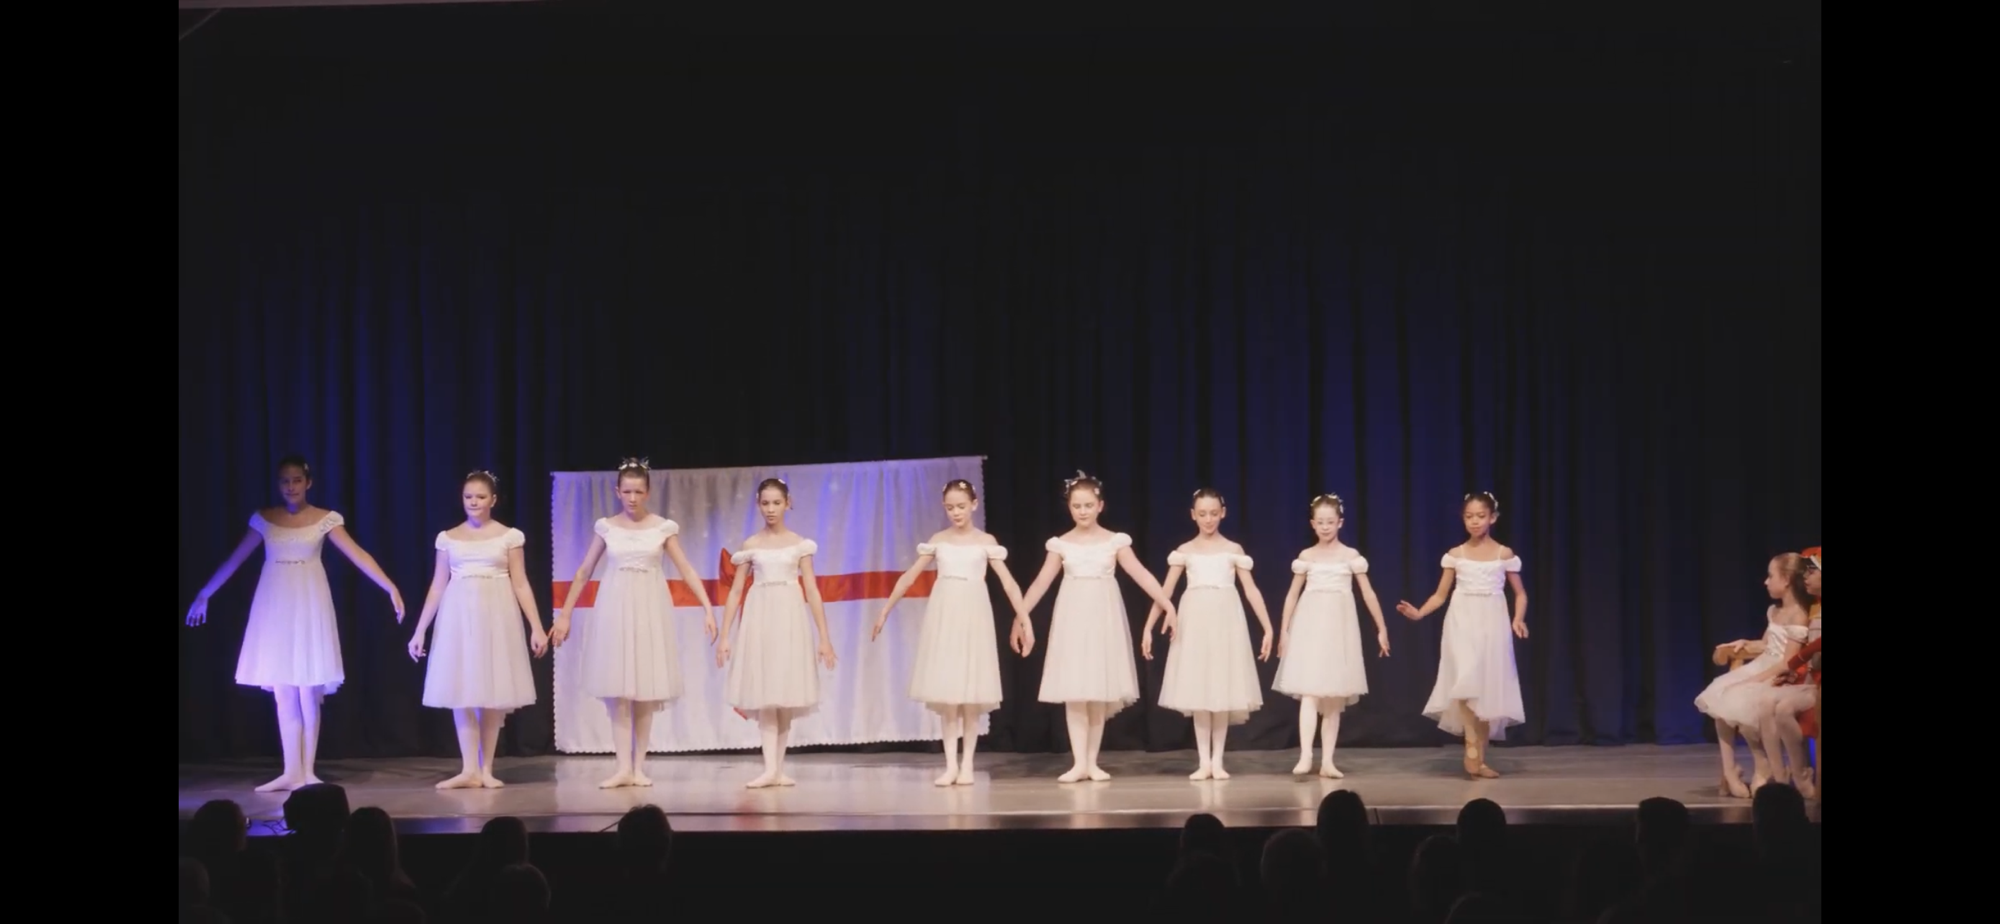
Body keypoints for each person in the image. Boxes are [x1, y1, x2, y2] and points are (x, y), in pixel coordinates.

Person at [186, 454, 406, 792]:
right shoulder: (264, 519)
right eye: (285, 481)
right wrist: (205, 593)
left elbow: (358, 554)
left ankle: (308, 771)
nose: (291, 487)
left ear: (308, 483)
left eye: (297, 480)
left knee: (308, 686)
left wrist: (389, 586)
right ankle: (291, 771)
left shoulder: (325, 519)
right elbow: (236, 558)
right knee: (284, 688)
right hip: (275, 603)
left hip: (309, 601)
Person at [550, 458, 718, 788]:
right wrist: (565, 614)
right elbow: (584, 571)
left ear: (648, 492)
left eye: (638, 491)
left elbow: (686, 569)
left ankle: (638, 767)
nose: (632, 498)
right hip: (615, 610)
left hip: (649, 612)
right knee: (619, 693)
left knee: (644, 691)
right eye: (626, 491)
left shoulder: (662, 528)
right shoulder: (607, 527)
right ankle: (622, 767)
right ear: (617, 491)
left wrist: (708, 608)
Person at [1017, 471, 1179, 782]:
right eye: (1077, 506)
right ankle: (1079, 762)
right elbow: (1040, 583)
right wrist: (1021, 616)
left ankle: (1092, 761)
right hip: (1072, 618)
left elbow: (1141, 574)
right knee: (1076, 689)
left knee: (1098, 689)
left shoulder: (1114, 541)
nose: (1083, 511)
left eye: (1088, 505)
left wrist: (1167, 603)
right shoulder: (1061, 544)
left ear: (1100, 505)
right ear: (1069, 507)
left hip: (1103, 618)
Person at [875, 479, 1033, 785]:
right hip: (945, 615)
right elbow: (909, 576)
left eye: (961, 506)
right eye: (950, 508)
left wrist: (1024, 618)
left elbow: (1009, 583)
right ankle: (950, 765)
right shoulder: (939, 540)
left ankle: (968, 764)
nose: (956, 513)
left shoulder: (985, 541)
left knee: (970, 695)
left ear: (974, 504)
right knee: (948, 695)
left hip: (973, 615)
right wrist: (885, 609)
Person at [405, 470, 547, 789]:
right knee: (463, 689)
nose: (474, 502)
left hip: (497, 616)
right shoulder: (448, 538)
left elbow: (521, 583)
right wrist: (420, 630)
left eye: (480, 497)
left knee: (491, 690)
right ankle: (469, 769)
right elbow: (437, 586)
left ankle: (486, 769)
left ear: (493, 500)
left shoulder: (510, 537)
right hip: (458, 617)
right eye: (468, 497)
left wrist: (536, 627)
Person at [1141, 488, 1274, 780]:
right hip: (1195, 622)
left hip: (1225, 621)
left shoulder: (1233, 550)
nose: (1208, 519)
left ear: (1223, 513)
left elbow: (1251, 590)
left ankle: (1218, 760)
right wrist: (1149, 626)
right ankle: (1203, 761)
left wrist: (1267, 626)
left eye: (1214, 513)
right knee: (1200, 688)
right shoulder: (1185, 551)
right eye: (1202, 514)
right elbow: (1165, 592)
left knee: (1222, 687)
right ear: (1193, 515)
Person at [1397, 491, 1529, 779]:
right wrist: (1420, 612)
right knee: (1466, 680)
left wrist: (1518, 618)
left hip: (1492, 622)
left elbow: (1520, 594)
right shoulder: (1456, 555)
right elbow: (1440, 595)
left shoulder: (1503, 554)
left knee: (1487, 687)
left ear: (1493, 518)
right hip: (1462, 621)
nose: (1475, 521)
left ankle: (1480, 758)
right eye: (1469, 516)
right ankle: (1471, 745)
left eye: (1481, 516)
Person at [715, 478, 837, 788]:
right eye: (765, 503)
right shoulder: (751, 545)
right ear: (758, 504)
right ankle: (770, 768)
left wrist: (824, 638)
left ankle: (778, 769)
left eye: (777, 503)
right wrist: (725, 635)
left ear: (788, 503)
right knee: (766, 692)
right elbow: (736, 591)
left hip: (790, 617)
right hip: (760, 618)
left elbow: (812, 590)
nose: (771, 509)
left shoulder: (800, 545)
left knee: (784, 693)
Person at [1271, 493, 1390, 778]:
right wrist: (1284, 630)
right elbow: (1292, 595)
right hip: (1310, 628)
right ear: (1313, 524)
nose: (1325, 527)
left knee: (1334, 697)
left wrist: (1381, 627)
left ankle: (1327, 761)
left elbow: (1368, 593)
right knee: (1310, 691)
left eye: (1330, 522)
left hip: (1339, 631)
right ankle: (1305, 756)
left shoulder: (1350, 557)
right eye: (1320, 522)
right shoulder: (1307, 557)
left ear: (1340, 523)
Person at [1693, 552, 1814, 798]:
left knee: (1742, 696)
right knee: (1721, 694)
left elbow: (1787, 660)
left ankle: (1762, 764)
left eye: (1771, 576)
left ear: (1786, 580)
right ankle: (1730, 770)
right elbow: (1768, 644)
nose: (1766, 582)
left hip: (1781, 673)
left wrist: (1753, 680)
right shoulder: (1774, 611)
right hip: (1763, 665)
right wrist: (1746, 643)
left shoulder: (1798, 614)